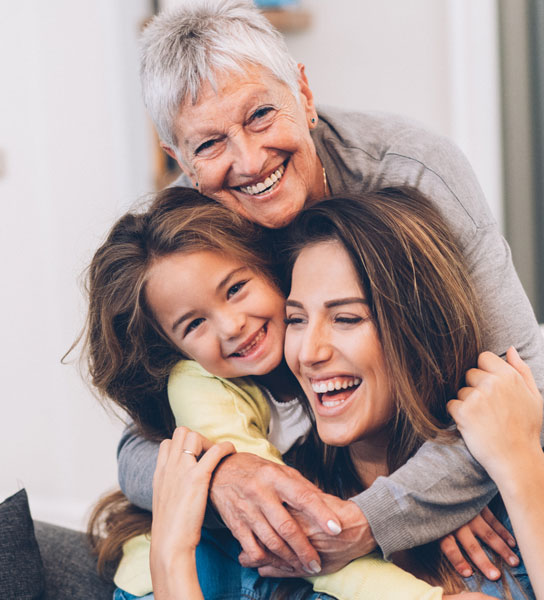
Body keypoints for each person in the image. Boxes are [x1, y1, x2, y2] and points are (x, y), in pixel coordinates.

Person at [118, 0, 544, 581]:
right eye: (209, 145)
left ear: (303, 93)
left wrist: (381, 512)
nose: (249, 161)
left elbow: (534, 402)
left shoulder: (414, 172)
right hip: (316, 492)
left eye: (259, 115)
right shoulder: (185, 237)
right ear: (180, 162)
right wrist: (224, 476)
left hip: (447, 474)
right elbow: (135, 449)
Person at [139, 188, 544, 600]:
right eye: (297, 319)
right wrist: (170, 560)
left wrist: (517, 463)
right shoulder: (293, 504)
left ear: (420, 330)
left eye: (347, 318)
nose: (310, 353)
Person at [86, 187, 452, 600]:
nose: (231, 326)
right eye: (194, 325)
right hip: (191, 576)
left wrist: (437, 507)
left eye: (235, 289)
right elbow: (288, 524)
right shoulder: (199, 387)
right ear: (174, 348)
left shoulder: (317, 360)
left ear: (269, 268)